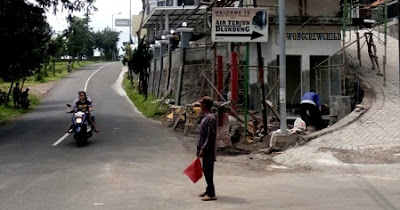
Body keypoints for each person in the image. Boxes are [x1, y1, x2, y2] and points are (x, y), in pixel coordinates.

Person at [197, 96, 217, 201]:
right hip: (206, 149)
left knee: (208, 171)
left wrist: (203, 149)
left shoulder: (210, 118)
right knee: (206, 170)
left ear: (204, 105)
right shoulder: (206, 117)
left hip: (208, 150)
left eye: (201, 104)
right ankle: (208, 190)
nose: (200, 105)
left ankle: (211, 193)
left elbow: (210, 136)